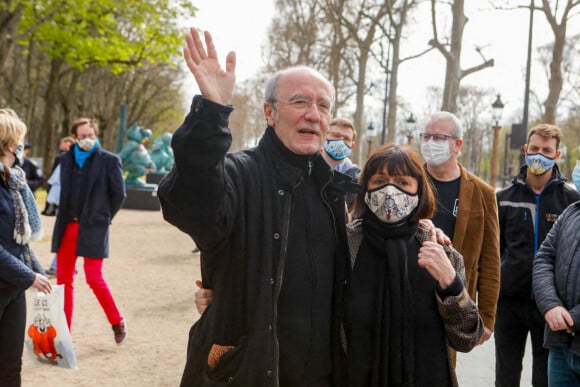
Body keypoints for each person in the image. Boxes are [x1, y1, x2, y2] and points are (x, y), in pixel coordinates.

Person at [157, 28, 361, 386]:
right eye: (299, 102)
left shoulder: (332, 189)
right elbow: (190, 202)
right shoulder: (239, 174)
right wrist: (212, 116)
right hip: (247, 372)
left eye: (323, 105)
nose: (314, 114)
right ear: (269, 112)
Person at [344, 143, 484, 386]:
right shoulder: (345, 246)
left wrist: (451, 284)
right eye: (379, 181)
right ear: (364, 187)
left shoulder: (442, 253)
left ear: (420, 190)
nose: (390, 191)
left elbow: (467, 338)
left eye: (402, 182)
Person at [495, 123, 580, 386]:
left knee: (544, 378)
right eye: (534, 149)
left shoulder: (570, 200)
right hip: (509, 302)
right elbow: (494, 249)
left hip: (551, 306)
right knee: (505, 376)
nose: (538, 155)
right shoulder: (504, 198)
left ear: (557, 154)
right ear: (525, 150)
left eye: (546, 150)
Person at [419, 111, 500, 348]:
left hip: (453, 300)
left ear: (457, 145)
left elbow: (491, 259)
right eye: (426, 136)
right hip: (411, 295)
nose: (430, 143)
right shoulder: (409, 181)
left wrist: (486, 317)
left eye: (439, 137)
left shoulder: (483, 193)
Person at [51, 117, 127, 343]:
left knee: (94, 278)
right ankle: (64, 334)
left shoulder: (110, 160)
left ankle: (117, 321)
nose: (87, 140)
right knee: (63, 281)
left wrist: (104, 217)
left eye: (91, 135)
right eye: (82, 136)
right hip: (67, 226)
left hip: (94, 226)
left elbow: (119, 195)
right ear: (75, 138)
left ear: (96, 135)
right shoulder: (65, 160)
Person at [0, 109, 52, 386]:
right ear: (10, 145)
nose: (22, 146)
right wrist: (29, 277)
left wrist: (37, 271)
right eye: (19, 141)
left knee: (10, 366)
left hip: (12, 290)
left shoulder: (15, 181)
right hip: (10, 282)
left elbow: (19, 242)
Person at [533, 199, 580, 385]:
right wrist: (551, 305)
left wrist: (573, 318)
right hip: (561, 345)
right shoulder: (572, 212)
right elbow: (544, 258)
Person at [42, 136, 75, 216]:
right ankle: (51, 209)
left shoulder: (72, 157)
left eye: (63, 143)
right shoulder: (60, 157)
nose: (61, 145)